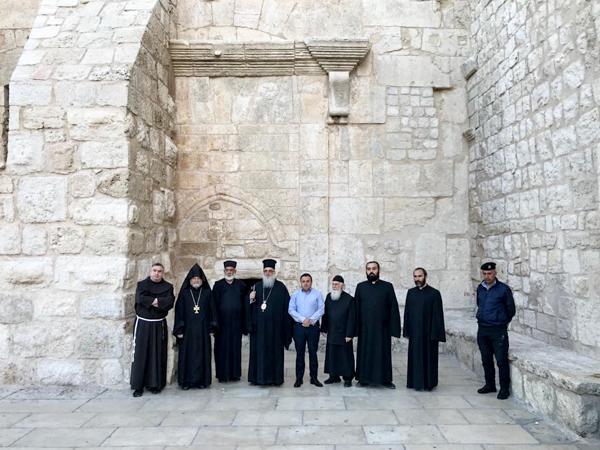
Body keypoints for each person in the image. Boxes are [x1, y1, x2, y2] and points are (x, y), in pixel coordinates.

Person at [354, 261, 401, 388]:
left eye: (374, 268)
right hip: (365, 329)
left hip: (382, 329)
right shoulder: (360, 287)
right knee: (364, 353)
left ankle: (385, 380)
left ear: (379, 270)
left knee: (383, 354)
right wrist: (354, 329)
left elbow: (393, 308)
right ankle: (363, 379)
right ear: (366, 271)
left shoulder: (387, 287)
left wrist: (394, 329)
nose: (371, 271)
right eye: (368, 269)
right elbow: (356, 309)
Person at [130, 262, 175, 397]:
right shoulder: (142, 285)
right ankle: (138, 386)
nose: (157, 273)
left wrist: (150, 302)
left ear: (163, 273)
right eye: (154, 270)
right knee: (140, 355)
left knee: (157, 354)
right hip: (143, 324)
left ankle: (155, 384)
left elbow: (169, 302)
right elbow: (140, 299)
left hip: (158, 324)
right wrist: (158, 301)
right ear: (150, 271)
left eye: (160, 271)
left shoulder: (168, 287)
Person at [247, 259, 293, 386]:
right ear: (263, 272)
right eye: (265, 271)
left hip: (275, 330)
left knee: (274, 354)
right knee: (259, 354)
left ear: (274, 272)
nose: (268, 273)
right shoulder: (256, 286)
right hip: (259, 330)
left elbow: (287, 309)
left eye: (270, 271)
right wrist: (250, 300)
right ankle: (258, 378)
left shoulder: (281, 287)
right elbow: (248, 308)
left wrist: (285, 329)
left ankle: (275, 379)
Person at [476, 261, 516, 400]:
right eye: (485, 273)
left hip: (498, 330)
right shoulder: (480, 288)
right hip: (482, 329)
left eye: (490, 273)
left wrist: (502, 320)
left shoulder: (503, 289)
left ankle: (504, 388)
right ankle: (490, 385)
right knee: (486, 359)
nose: (487, 276)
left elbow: (511, 309)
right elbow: (479, 304)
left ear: (495, 273)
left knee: (501, 360)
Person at [173, 263, 217, 390]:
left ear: (202, 280)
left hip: (203, 330)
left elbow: (213, 311)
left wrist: (212, 327)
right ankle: (186, 381)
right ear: (190, 280)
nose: (196, 280)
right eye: (194, 278)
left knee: (203, 355)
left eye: (198, 278)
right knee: (187, 355)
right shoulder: (185, 293)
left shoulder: (208, 293)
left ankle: (202, 381)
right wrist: (179, 329)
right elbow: (179, 311)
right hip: (187, 331)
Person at [403, 267, 446, 391]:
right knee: (415, 358)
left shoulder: (434, 293)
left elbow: (438, 315)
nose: (417, 279)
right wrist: (407, 330)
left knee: (429, 358)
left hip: (428, 334)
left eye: (420, 276)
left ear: (425, 276)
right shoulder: (411, 293)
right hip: (415, 333)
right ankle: (414, 382)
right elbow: (407, 313)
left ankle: (429, 383)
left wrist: (435, 334)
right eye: (415, 276)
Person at [213, 260, 247, 383]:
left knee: (235, 348)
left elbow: (245, 305)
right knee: (221, 349)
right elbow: (213, 305)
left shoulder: (241, 285)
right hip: (222, 324)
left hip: (236, 324)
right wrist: (214, 323)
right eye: (227, 270)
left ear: (235, 271)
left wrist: (244, 324)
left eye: (231, 270)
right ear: (224, 271)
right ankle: (222, 375)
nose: (229, 272)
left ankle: (235, 374)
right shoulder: (218, 285)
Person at [288, 273, 325, 387]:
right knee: (300, 353)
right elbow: (291, 309)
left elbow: (321, 309)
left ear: (311, 282)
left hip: (313, 327)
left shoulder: (317, 294)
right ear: (300, 282)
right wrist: (303, 319)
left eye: (308, 281)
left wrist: (311, 320)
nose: (305, 283)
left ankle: (314, 378)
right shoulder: (295, 295)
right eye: (303, 281)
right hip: (299, 327)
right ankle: (299, 378)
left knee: (313, 353)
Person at [321, 275, 356, 387]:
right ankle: (333, 376)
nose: (334, 286)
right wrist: (324, 329)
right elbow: (325, 314)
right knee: (332, 355)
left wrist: (350, 334)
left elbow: (352, 318)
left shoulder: (349, 299)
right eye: (333, 284)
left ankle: (347, 378)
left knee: (345, 356)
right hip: (332, 332)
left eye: (337, 284)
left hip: (344, 333)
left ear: (343, 286)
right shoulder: (329, 297)